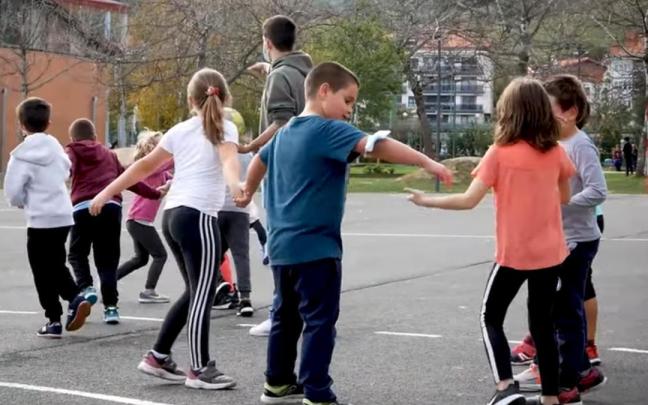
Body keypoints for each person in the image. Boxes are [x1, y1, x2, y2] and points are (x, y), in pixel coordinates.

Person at [236, 61, 452, 405]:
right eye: (347, 100)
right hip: (317, 249)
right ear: (324, 92)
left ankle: (276, 384)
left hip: (281, 248)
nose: (349, 110)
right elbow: (376, 145)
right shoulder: (325, 129)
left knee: (285, 317)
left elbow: (260, 160)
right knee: (320, 320)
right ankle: (317, 391)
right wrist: (427, 162)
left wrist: (247, 188)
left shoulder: (286, 131)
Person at [408, 77, 575, 405]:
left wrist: (425, 199)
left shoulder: (499, 154)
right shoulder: (555, 152)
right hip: (550, 254)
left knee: (490, 316)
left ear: (508, 113)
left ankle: (504, 387)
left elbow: (468, 201)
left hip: (513, 254)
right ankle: (551, 397)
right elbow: (564, 198)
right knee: (541, 324)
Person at [89, 67, 241, 390]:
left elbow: (142, 166)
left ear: (190, 100)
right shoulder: (225, 126)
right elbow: (229, 162)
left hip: (172, 217)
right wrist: (237, 186)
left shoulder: (179, 130)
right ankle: (200, 369)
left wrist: (104, 192)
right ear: (225, 98)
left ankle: (158, 356)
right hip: (198, 216)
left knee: (195, 291)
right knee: (205, 291)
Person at [513, 75, 607, 405]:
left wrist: (562, 200)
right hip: (558, 239)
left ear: (569, 112)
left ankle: (568, 380)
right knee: (556, 308)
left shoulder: (580, 145)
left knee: (567, 310)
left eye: (548, 109)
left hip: (578, 241)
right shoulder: (553, 143)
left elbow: (598, 191)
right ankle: (579, 369)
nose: (543, 115)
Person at [244, 14, 314, 337]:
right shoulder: (307, 72)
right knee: (303, 242)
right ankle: (303, 309)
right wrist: (269, 73)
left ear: (266, 42)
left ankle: (281, 312)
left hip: (284, 168)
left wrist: (251, 147)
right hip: (308, 168)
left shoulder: (280, 76)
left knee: (280, 242)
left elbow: (281, 122)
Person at [4, 97, 91, 338]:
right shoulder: (56, 147)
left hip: (40, 218)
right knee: (55, 263)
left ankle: (60, 311)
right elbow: (67, 170)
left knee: (42, 270)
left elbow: (12, 192)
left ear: (21, 124)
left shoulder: (20, 156)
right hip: (63, 215)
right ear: (49, 122)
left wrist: (23, 201)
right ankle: (67, 304)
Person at [66, 118, 162, 324]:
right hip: (111, 208)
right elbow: (129, 179)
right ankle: (111, 308)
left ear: (72, 138)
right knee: (107, 260)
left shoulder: (72, 151)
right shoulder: (109, 154)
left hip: (83, 207)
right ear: (95, 136)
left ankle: (86, 287)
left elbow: (67, 170)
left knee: (77, 253)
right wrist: (154, 194)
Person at [116, 130, 173, 304]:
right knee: (160, 255)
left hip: (140, 221)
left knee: (140, 259)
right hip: (138, 220)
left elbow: (174, 177)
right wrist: (179, 151)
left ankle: (108, 280)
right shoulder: (151, 168)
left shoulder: (161, 173)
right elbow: (169, 163)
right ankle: (149, 291)